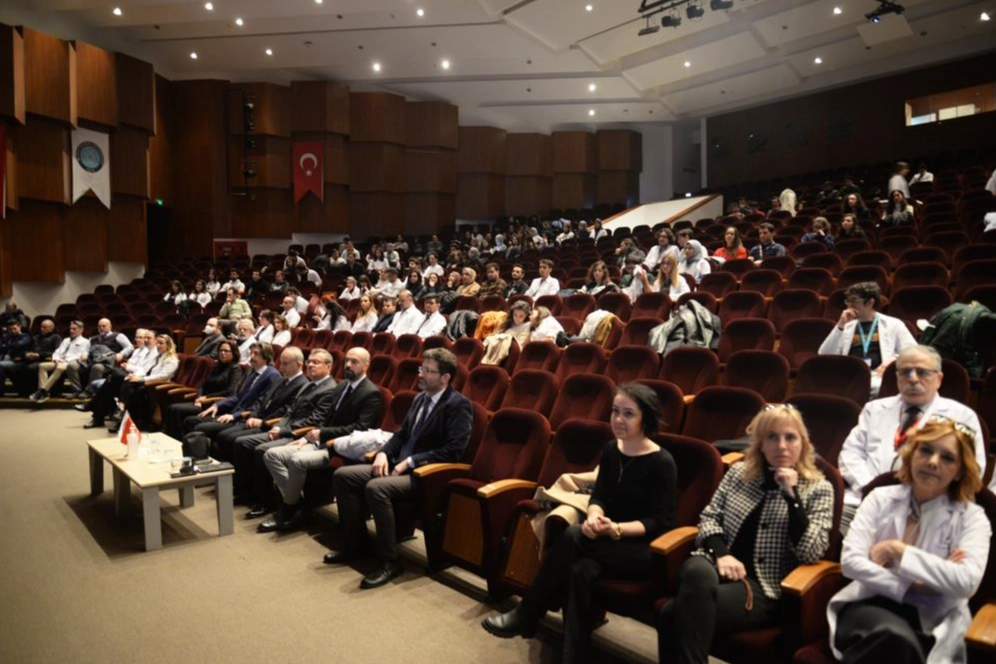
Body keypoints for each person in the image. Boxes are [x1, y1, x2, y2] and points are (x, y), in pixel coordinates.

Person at [484, 384, 678, 663]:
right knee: (580, 570)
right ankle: (572, 655)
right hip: (604, 539)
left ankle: (528, 614)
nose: (618, 419)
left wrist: (617, 529)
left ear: (646, 419)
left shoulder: (662, 462)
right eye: (615, 411)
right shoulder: (611, 450)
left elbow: (661, 522)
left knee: (573, 536)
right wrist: (595, 515)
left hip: (642, 549)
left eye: (628, 414)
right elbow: (599, 495)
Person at [657, 404, 834, 664]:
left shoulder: (819, 488)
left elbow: (811, 552)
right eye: (772, 437)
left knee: (672, 614)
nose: (782, 446)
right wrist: (722, 554)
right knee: (696, 572)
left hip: (761, 587)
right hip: (712, 563)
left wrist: (792, 497)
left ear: (803, 444)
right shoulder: (739, 473)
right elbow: (709, 518)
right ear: (760, 443)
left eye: (790, 437)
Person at [828, 416, 989, 664]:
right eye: (926, 450)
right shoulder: (879, 498)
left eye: (947, 458)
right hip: (868, 605)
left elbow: (966, 583)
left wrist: (897, 550)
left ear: (959, 471)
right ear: (912, 454)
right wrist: (916, 585)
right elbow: (850, 563)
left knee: (900, 646)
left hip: (933, 622)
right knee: (895, 639)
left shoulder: (972, 518)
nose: (933, 462)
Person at [325, 348, 473, 588]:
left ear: (445, 377)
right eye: (421, 369)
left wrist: (411, 461)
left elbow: (453, 451)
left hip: (426, 476)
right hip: (398, 467)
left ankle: (390, 560)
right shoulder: (420, 398)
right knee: (344, 476)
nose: (421, 374)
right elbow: (401, 435)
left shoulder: (458, 405)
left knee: (376, 488)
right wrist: (384, 453)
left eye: (428, 371)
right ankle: (357, 543)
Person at [838, 345, 987, 532]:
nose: (913, 378)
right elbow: (850, 454)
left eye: (922, 372)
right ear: (897, 377)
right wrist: (870, 488)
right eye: (905, 372)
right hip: (863, 501)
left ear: (938, 379)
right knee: (830, 524)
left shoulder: (962, 416)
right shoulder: (874, 409)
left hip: (929, 510)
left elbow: (973, 470)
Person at [257, 348, 385, 530]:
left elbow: (361, 429)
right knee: (271, 455)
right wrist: (307, 438)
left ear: (366, 365)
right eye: (347, 360)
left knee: (296, 460)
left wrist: (323, 433)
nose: (348, 365)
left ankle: (287, 510)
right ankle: (298, 505)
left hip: (340, 447)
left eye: (354, 361)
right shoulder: (342, 386)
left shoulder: (371, 393)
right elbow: (325, 418)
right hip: (320, 441)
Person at [230, 348, 338, 517]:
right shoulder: (309, 384)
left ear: (328, 366)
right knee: (242, 442)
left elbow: (314, 420)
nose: (310, 365)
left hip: (299, 434)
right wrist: (278, 427)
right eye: (309, 361)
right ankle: (250, 492)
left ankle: (267, 501)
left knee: (261, 450)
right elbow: (290, 412)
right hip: (286, 429)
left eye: (316, 362)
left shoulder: (330, 389)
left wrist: (283, 431)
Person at [196, 347, 309, 461]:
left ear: (299, 364)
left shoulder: (302, 385)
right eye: (281, 362)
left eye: (285, 364)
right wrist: (253, 415)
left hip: (270, 425)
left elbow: (285, 410)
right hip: (256, 419)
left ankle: (235, 470)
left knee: (230, 438)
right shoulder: (280, 380)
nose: (281, 367)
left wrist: (262, 422)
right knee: (223, 436)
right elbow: (262, 400)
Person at [818, 282, 917, 396]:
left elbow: (914, 352)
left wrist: (894, 359)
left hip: (878, 374)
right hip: (850, 375)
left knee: (874, 388)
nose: (849, 305)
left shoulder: (893, 324)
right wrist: (840, 325)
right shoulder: (847, 326)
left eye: (854, 300)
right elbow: (824, 353)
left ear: (870, 302)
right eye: (848, 301)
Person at [182, 343, 279, 438]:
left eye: (256, 353)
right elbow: (239, 397)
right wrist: (217, 405)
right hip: (233, 413)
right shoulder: (252, 371)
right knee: (190, 421)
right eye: (251, 353)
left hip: (244, 418)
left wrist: (235, 416)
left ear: (266, 356)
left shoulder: (272, 375)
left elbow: (260, 405)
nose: (251, 356)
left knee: (201, 428)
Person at [84, 334, 180, 431]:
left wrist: (141, 379)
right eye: (157, 343)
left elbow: (163, 376)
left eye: (161, 343)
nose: (158, 345)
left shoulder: (172, 359)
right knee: (116, 381)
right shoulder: (157, 357)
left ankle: (101, 410)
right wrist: (135, 376)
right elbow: (144, 370)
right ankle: (116, 415)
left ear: (168, 345)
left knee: (118, 379)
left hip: (155, 385)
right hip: (145, 380)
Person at [163, 341, 243, 439]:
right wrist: (199, 397)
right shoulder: (216, 367)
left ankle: (178, 440)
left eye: (226, 351)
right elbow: (202, 385)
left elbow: (230, 391)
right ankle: (171, 439)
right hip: (203, 401)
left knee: (176, 410)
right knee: (171, 408)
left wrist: (206, 397)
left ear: (234, 353)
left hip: (214, 403)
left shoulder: (235, 369)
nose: (222, 353)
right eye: (221, 350)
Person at [32, 319, 89, 402]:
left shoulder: (85, 342)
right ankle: (42, 390)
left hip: (70, 363)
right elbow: (57, 351)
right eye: (70, 328)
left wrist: (65, 361)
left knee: (60, 367)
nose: (71, 331)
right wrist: (56, 359)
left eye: (74, 329)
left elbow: (80, 356)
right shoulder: (66, 340)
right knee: (42, 366)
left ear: (81, 330)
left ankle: (43, 391)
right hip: (59, 361)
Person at [11, 318, 61, 398]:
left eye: (44, 327)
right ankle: (22, 391)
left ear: (51, 328)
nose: (42, 329)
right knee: (15, 368)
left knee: (31, 368)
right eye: (41, 327)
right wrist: (27, 354)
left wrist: (39, 355)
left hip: (45, 359)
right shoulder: (35, 337)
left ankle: (32, 391)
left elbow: (57, 352)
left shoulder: (56, 337)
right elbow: (28, 348)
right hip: (32, 359)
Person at [0, 319, 33, 397]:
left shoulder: (25, 336)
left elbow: (17, 345)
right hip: (4, 358)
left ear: (19, 327)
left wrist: (5, 347)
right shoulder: (7, 337)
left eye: (14, 328)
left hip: (17, 360)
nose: (13, 331)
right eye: (10, 329)